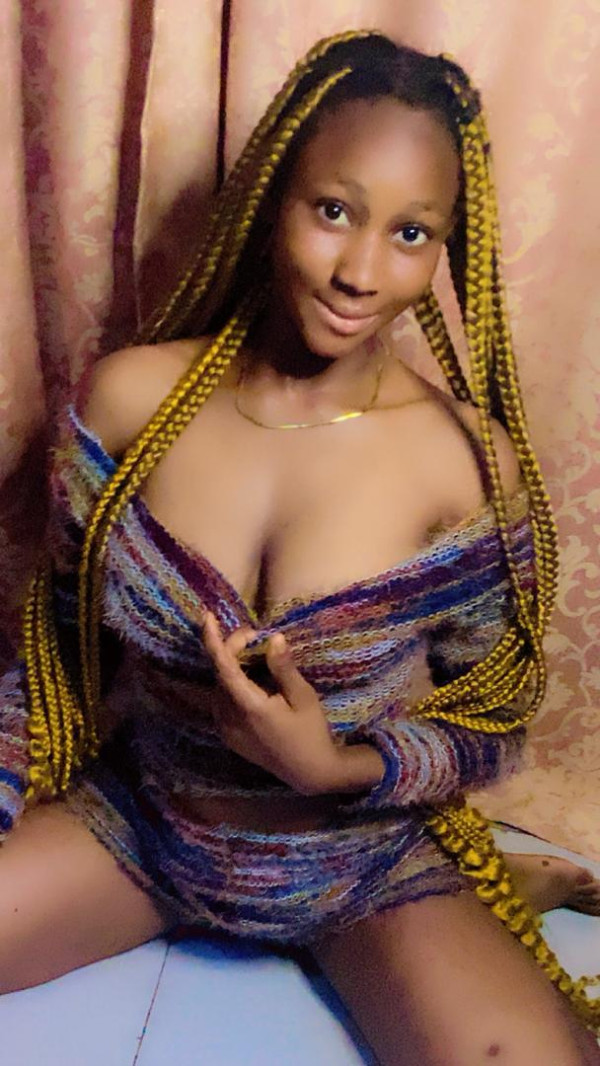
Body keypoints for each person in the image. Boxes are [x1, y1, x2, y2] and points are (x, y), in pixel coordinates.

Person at [1, 29, 599, 1065]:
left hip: (362, 865)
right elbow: (57, 643)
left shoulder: (466, 465)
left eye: (410, 233)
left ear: (446, 248)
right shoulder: (134, 400)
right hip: (148, 829)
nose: (361, 271)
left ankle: (497, 879)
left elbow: (491, 714)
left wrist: (333, 763)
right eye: (334, 210)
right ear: (275, 196)